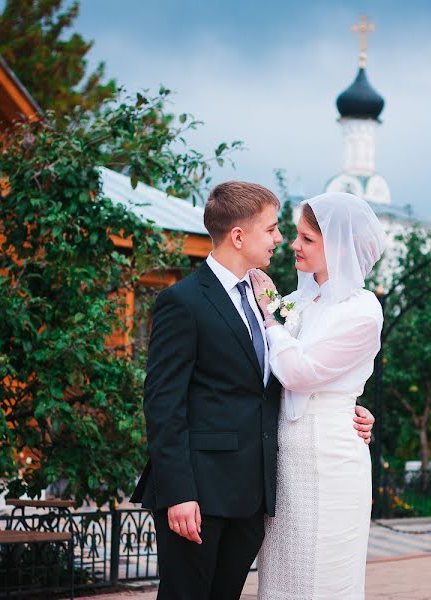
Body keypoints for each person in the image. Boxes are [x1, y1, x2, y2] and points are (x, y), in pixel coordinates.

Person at [131, 182, 376, 600]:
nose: (282, 240)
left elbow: (291, 377)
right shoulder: (183, 301)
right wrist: (179, 494)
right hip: (199, 495)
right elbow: (162, 404)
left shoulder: (271, 302)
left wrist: (350, 410)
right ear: (239, 236)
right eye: (272, 229)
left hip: (252, 496)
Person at [251, 191, 387, 600]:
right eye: (296, 235)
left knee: (326, 576)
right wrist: (275, 312)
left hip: (332, 462)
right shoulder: (296, 302)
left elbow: (298, 372)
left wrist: (270, 320)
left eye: (307, 239)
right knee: (281, 579)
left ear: (339, 247)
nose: (294, 245)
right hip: (285, 462)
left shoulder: (363, 311)